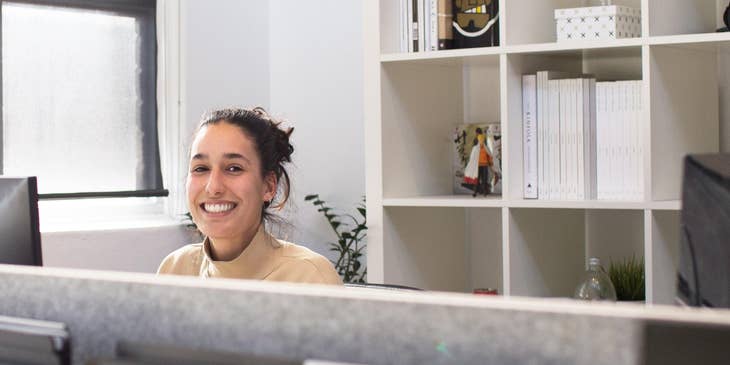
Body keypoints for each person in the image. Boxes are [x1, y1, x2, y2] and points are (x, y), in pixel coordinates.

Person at [157, 107, 342, 285]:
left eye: (234, 168)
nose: (213, 188)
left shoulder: (310, 278)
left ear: (268, 186)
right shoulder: (175, 269)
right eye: (201, 168)